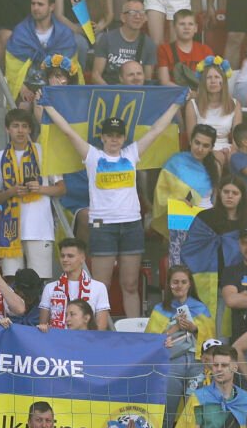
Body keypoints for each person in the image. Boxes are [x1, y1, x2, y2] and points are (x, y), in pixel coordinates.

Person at [41, 101, 184, 316]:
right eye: (110, 135)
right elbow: (68, 132)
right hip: (102, 226)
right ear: (103, 137)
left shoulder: (131, 153)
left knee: (130, 285)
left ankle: (133, 334)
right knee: (100, 287)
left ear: (124, 138)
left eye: (118, 135)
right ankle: (98, 335)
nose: (114, 139)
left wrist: (175, 104)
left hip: (131, 225)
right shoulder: (92, 156)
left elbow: (156, 130)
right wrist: (49, 107)